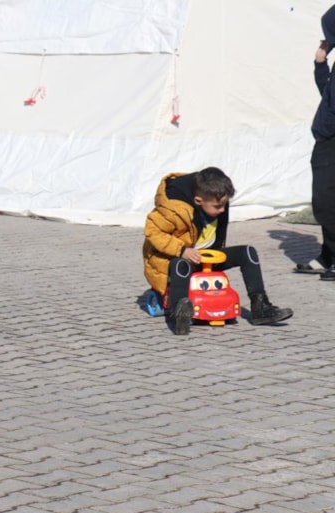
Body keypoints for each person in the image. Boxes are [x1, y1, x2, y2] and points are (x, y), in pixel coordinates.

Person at [143, 167, 293, 335]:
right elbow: (153, 231)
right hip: (180, 257)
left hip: (208, 256)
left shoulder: (216, 200)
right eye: (217, 206)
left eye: (225, 205)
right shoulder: (174, 209)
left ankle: (260, 307)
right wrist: (182, 250)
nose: (222, 210)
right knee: (180, 265)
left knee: (247, 252)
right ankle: (179, 313)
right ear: (198, 200)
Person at [300, 5, 335, 280]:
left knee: (326, 201)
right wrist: (320, 63)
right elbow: (327, 93)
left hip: (331, 138)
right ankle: (328, 254)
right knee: (325, 200)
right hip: (326, 138)